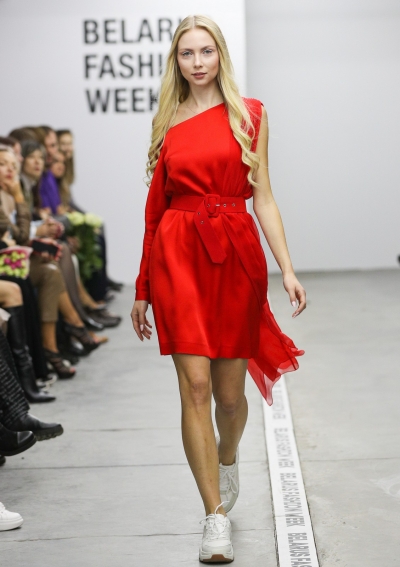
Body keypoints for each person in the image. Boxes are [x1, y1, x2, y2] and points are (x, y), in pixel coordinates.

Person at [131, 15, 306, 563]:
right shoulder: (166, 120)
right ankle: (214, 516)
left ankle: (227, 459)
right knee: (196, 388)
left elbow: (264, 196)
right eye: (187, 53)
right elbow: (155, 211)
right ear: (176, 62)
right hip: (178, 257)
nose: (198, 62)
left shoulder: (250, 115)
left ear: (220, 55)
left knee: (230, 400)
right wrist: (143, 286)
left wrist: (287, 267)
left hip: (234, 255)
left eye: (206, 51)